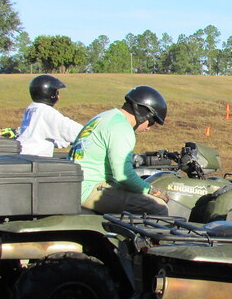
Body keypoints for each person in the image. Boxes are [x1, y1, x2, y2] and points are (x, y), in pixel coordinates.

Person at [68, 85, 172, 215]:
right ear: (143, 113)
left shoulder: (105, 117)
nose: (148, 128)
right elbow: (123, 176)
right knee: (157, 207)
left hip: (75, 184)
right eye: (151, 122)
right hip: (88, 188)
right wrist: (152, 190)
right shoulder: (122, 127)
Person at [17, 74, 84, 157]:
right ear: (50, 94)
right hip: (34, 158)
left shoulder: (32, 108)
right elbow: (75, 131)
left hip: (22, 154)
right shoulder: (46, 112)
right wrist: (92, 132)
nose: (58, 96)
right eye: (57, 92)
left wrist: (66, 141)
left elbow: (44, 135)